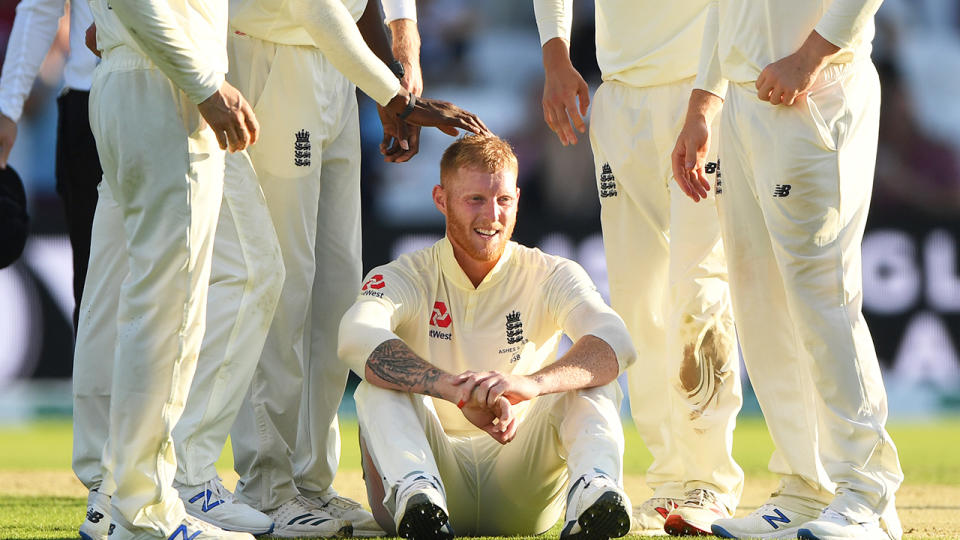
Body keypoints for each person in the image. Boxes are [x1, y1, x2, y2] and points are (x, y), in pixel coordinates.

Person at [170, 0, 487, 537]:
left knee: (339, 290)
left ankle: (311, 482)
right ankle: (269, 487)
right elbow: (317, 8)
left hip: (338, 69)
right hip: (276, 56)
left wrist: (402, 65)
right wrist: (397, 98)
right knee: (285, 284)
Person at [673, 2, 904, 539]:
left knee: (822, 296)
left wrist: (810, 56)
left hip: (816, 90)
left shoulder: (814, 67)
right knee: (760, 303)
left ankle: (866, 494)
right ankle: (807, 485)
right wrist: (704, 103)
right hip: (744, 103)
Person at [338, 135, 637, 540]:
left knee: (588, 380)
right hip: (434, 473)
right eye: (475, 199)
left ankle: (595, 493)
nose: (492, 216)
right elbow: (355, 337)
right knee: (378, 387)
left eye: (503, 201)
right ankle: (418, 497)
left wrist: (529, 384)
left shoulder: (550, 272)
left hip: (523, 484)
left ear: (517, 198)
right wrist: (452, 389)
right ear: (441, 199)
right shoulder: (407, 274)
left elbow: (615, 339)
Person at [532, 0, 743, 535]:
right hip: (620, 95)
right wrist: (556, 55)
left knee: (700, 295)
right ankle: (670, 481)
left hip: (701, 93)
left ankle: (710, 484)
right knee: (637, 303)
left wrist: (708, 97)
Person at [81, 0, 261, 536]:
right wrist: (206, 83)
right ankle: (146, 511)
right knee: (170, 312)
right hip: (166, 87)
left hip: (144, 76)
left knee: (154, 305)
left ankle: (117, 499)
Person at [0, 0, 100, 330]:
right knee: (93, 295)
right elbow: (42, 7)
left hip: (177, 101)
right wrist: (9, 106)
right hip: (89, 103)